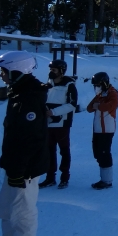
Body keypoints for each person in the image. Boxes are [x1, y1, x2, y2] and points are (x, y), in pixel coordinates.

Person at [0, 50, 48, 236]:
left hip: (25, 169)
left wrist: (19, 171)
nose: (1, 76)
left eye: (4, 71)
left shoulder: (29, 97)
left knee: (23, 213)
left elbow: (29, 140)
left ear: (16, 71)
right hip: (14, 165)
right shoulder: (20, 92)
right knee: (5, 209)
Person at [39, 59, 78, 189]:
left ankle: (64, 177)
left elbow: (72, 104)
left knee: (64, 151)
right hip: (48, 124)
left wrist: (54, 112)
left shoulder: (69, 85)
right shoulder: (48, 85)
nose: (51, 72)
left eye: (54, 70)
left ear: (61, 71)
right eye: (50, 70)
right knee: (49, 151)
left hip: (62, 124)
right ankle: (50, 177)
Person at [87, 72, 118, 190]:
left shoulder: (112, 92)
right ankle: (103, 178)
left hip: (107, 129)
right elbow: (89, 108)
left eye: (98, 85)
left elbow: (111, 105)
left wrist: (99, 105)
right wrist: (98, 103)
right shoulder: (100, 94)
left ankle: (107, 180)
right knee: (97, 153)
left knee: (104, 153)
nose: (96, 87)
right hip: (97, 129)